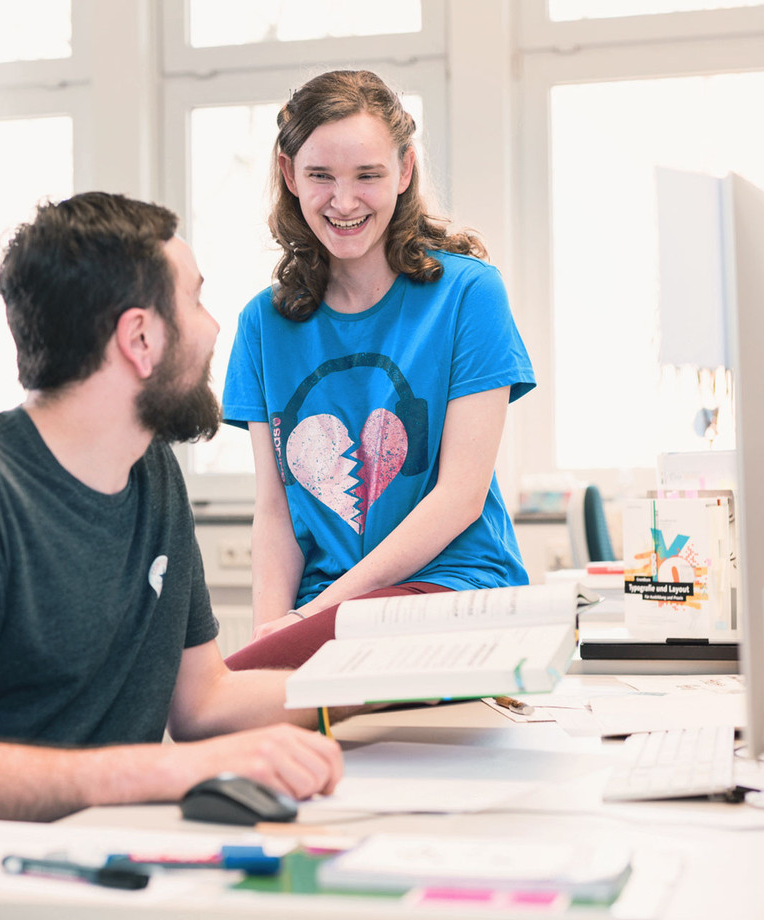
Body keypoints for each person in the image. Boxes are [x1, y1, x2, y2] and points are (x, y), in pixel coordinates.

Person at [0, 192, 342, 841]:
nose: (214, 328)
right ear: (140, 338)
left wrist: (393, 684)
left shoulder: (152, 475)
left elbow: (203, 700)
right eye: (196, 300)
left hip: (116, 853)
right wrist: (165, 771)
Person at [222, 70, 535, 671]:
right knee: (233, 695)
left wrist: (313, 619)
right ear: (289, 175)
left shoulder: (468, 294)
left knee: (220, 706)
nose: (344, 202)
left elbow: (461, 498)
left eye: (368, 175)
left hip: (452, 588)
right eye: (320, 176)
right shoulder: (262, 325)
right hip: (325, 613)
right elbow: (274, 511)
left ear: (405, 170)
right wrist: (271, 638)